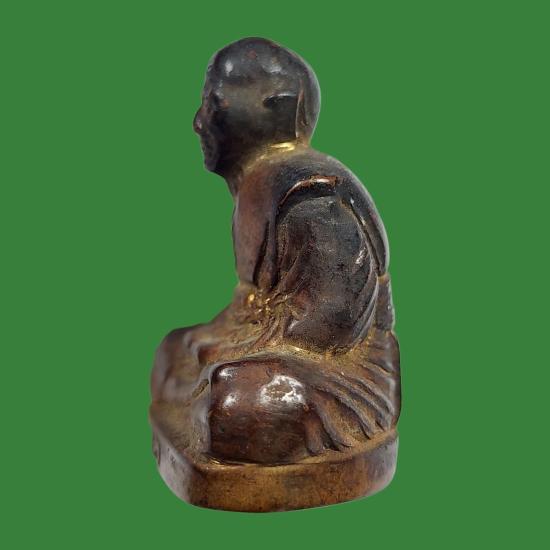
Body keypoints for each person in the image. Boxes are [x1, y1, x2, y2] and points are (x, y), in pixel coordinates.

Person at [151, 37, 400, 465]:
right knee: (173, 352)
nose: (198, 122)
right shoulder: (257, 186)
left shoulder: (310, 197)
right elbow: (252, 301)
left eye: (213, 105)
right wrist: (224, 337)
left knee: (236, 402)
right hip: (272, 351)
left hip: (337, 375)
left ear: (276, 107)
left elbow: (332, 325)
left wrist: (239, 349)